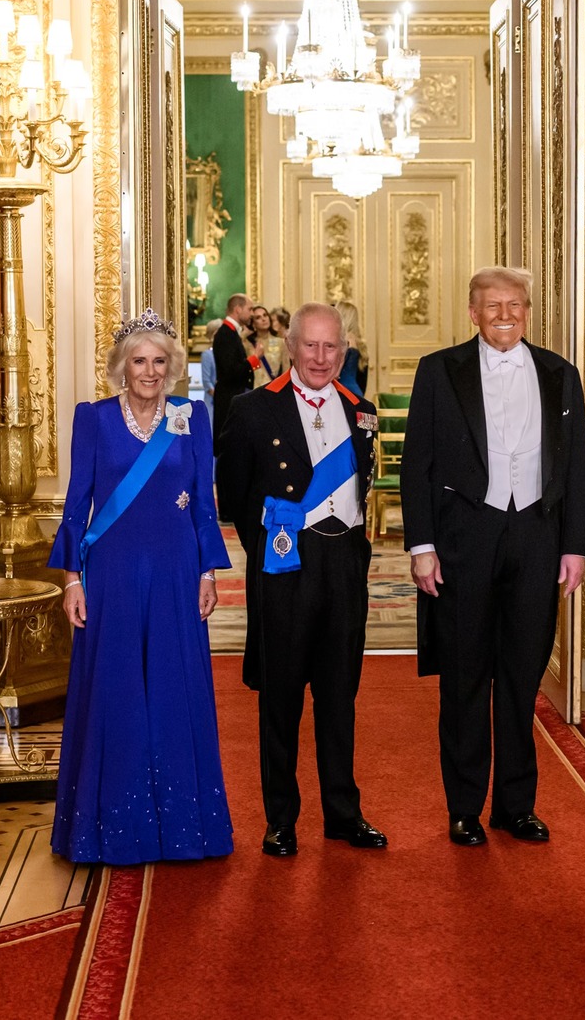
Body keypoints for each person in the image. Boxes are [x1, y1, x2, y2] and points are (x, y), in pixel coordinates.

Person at [403, 267, 585, 847]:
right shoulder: (439, 371)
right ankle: (464, 809)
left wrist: (574, 546)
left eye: (514, 305)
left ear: (527, 311)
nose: (504, 315)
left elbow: (577, 465)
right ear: (473, 312)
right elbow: (418, 463)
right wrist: (423, 546)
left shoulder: (561, 373)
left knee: (520, 678)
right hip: (465, 538)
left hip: (536, 535)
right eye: (492, 306)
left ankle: (516, 805)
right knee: (464, 679)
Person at [50, 307, 232, 865]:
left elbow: (204, 501)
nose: (150, 372)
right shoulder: (95, 418)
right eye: (139, 362)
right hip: (113, 574)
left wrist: (207, 572)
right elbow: (78, 502)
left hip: (177, 571)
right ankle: (110, 830)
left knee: (176, 689)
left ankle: (185, 828)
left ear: (172, 366)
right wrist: (72, 580)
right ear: (121, 367)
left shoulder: (191, 416)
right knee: (117, 691)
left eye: (159, 362)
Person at [215, 302, 384, 857]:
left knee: (340, 694)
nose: (319, 357)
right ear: (291, 346)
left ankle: (343, 812)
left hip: (344, 564)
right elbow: (236, 493)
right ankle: (281, 819)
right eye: (309, 345)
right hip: (285, 563)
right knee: (282, 697)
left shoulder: (362, 411)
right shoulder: (253, 409)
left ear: (344, 348)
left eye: (330, 346)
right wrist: (273, 540)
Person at [209, 293, 259, 438]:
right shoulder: (225, 334)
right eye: (249, 309)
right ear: (237, 309)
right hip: (229, 398)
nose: (252, 314)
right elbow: (231, 371)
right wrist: (254, 359)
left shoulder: (232, 332)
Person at [335, 300, 370, 396]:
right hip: (356, 391)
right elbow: (363, 380)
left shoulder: (340, 341)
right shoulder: (360, 343)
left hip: (341, 392)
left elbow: (335, 374)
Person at [262, 308, 292, 382]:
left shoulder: (289, 338)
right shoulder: (275, 338)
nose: (270, 322)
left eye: (273, 320)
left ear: (282, 322)